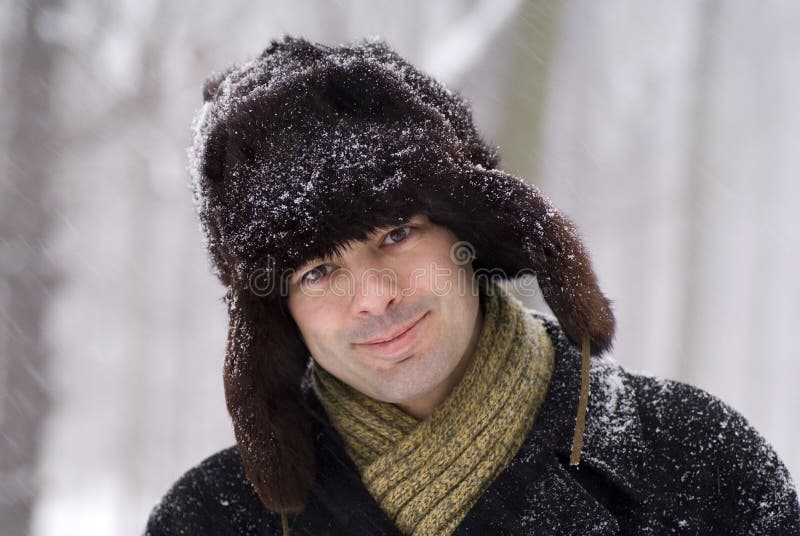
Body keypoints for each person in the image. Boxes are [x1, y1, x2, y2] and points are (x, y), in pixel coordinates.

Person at [145, 36, 800, 535]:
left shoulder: (699, 464)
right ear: (277, 319)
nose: (373, 297)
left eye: (396, 233)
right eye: (317, 272)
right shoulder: (209, 520)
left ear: (469, 232)